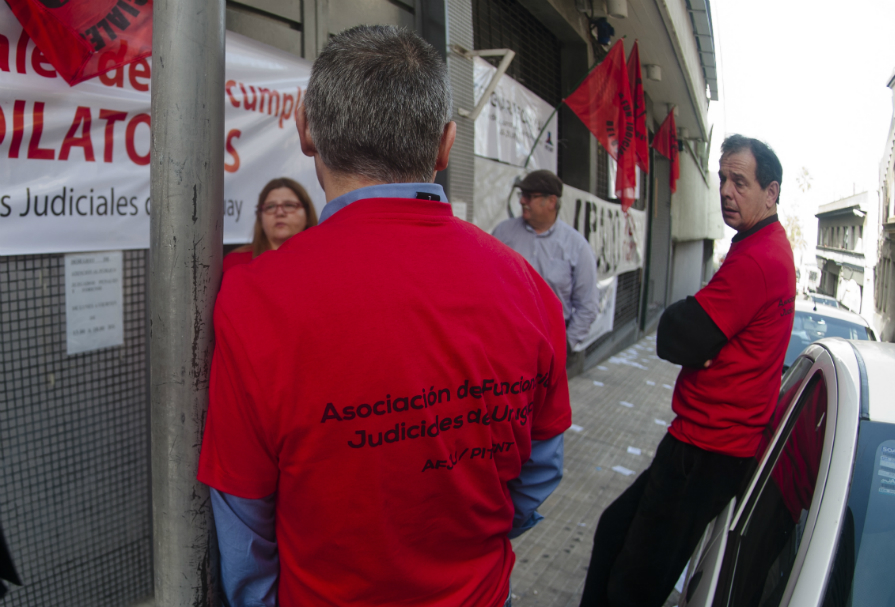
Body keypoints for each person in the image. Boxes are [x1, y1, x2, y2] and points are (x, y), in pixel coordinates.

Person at [197, 25, 572, 607]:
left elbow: (243, 513)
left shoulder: (255, 297)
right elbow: (541, 469)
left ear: (305, 131)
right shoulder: (527, 287)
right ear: (447, 144)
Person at [579, 134, 795, 607]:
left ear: (771, 193)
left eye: (740, 182)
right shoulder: (756, 246)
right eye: (722, 179)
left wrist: (699, 336)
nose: (725, 190)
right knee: (614, 532)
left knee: (633, 585)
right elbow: (692, 337)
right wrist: (701, 339)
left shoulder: (760, 258)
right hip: (699, 441)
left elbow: (679, 335)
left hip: (707, 452)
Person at [491, 170, 599, 352]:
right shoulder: (503, 233)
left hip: (550, 343)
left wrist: (566, 345)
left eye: (529, 196)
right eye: (521, 195)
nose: (522, 201)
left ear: (551, 202)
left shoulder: (577, 246)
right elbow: (487, 284)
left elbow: (587, 305)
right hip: (504, 339)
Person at [222, 177, 318, 273]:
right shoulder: (236, 263)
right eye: (270, 207)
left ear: (307, 214)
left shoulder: (321, 260)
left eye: (289, 205)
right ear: (260, 216)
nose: (280, 213)